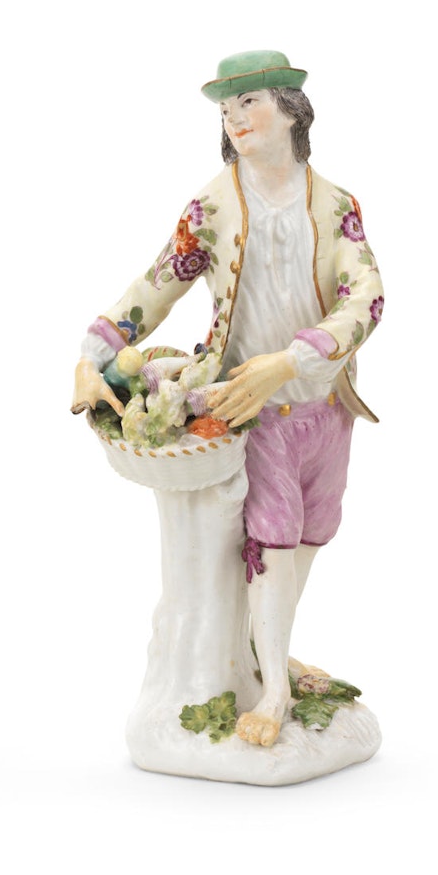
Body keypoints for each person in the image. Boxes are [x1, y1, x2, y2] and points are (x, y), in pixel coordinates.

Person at [72, 52, 383, 747]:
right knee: (270, 544)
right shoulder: (211, 209)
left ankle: (266, 653)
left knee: (312, 535)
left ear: (291, 111)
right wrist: (91, 355)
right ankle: (272, 692)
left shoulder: (336, 206)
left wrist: (296, 359)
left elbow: (368, 295)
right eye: (225, 109)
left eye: (249, 103)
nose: (234, 119)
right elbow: (155, 287)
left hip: (325, 405)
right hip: (250, 407)